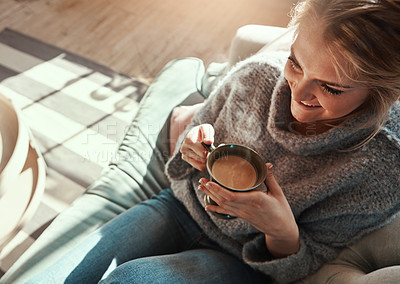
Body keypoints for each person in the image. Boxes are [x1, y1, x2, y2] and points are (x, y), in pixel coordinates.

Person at [27, 0, 400, 283]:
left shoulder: (380, 168)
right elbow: (183, 165)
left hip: (240, 259)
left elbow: (300, 268)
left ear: (383, 92)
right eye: (296, 63)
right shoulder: (255, 77)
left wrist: (281, 231)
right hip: (179, 209)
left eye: (331, 87)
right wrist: (189, 147)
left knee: (133, 278)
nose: (297, 92)